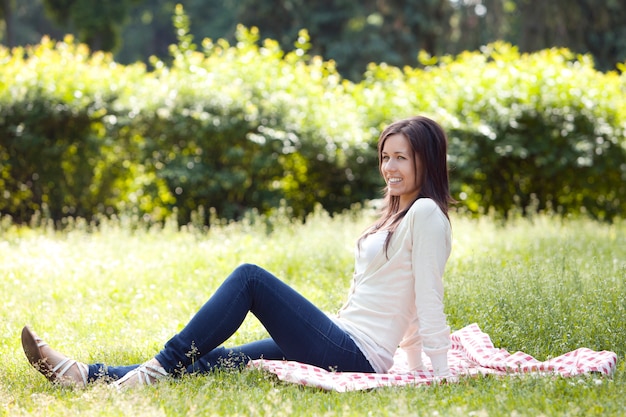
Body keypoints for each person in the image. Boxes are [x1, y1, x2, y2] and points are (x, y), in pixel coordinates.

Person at [21, 115, 454, 389]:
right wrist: (411, 362)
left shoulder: (427, 215)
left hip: (354, 353)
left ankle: (146, 376)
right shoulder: (398, 213)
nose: (390, 168)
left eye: (401, 158)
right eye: (386, 157)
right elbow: (406, 302)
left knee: (250, 278)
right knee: (223, 359)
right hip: (340, 337)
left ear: (426, 162)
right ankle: (82, 374)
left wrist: (438, 374)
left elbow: (428, 298)